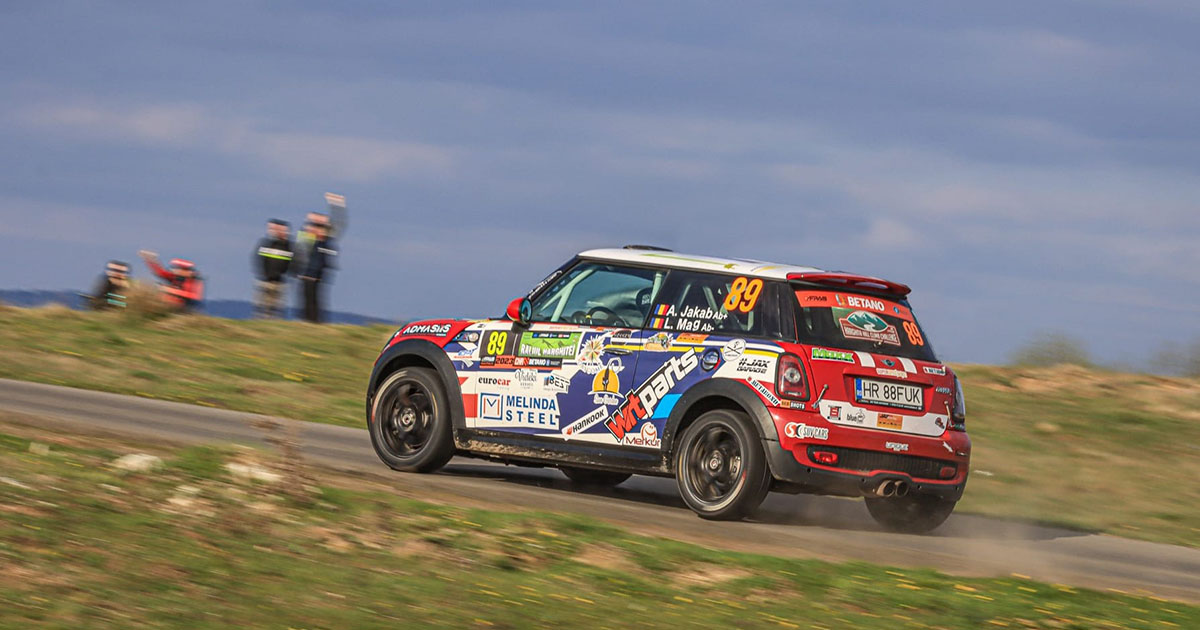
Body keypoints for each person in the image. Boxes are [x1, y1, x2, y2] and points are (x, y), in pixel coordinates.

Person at [296, 218, 337, 322]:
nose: (317, 232)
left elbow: (322, 262)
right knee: (305, 299)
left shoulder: (326, 245)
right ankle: (306, 319)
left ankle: (314, 320)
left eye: (320, 230)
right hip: (307, 276)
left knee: (314, 300)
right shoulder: (312, 243)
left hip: (316, 277)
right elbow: (301, 240)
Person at [252, 219, 294, 318]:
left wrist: (285, 274)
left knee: (276, 307)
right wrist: (262, 273)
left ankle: (274, 321)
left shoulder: (289, 246)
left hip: (280, 282)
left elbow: (294, 263)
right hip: (264, 280)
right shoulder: (266, 243)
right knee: (262, 306)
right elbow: (258, 259)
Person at [139, 250, 205, 311]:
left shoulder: (195, 281)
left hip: (188, 308)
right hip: (174, 305)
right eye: (176, 268)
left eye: (179, 268)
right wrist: (150, 260)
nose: (175, 270)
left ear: (188, 271)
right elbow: (161, 273)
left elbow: (194, 296)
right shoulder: (176, 276)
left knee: (168, 295)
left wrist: (170, 290)